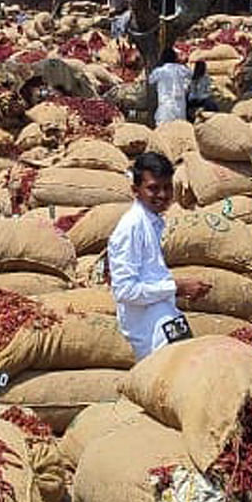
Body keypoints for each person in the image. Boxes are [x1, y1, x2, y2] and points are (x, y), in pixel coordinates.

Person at [106, 151, 186, 360]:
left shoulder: (155, 222)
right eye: (153, 188)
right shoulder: (132, 227)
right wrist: (176, 288)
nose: (162, 195)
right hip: (149, 332)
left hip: (165, 322)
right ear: (136, 190)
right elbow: (125, 291)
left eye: (167, 187)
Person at [147, 48, 193, 125]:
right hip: (180, 108)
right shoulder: (182, 69)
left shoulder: (160, 71)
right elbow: (190, 74)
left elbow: (150, 80)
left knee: (163, 131)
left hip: (165, 108)